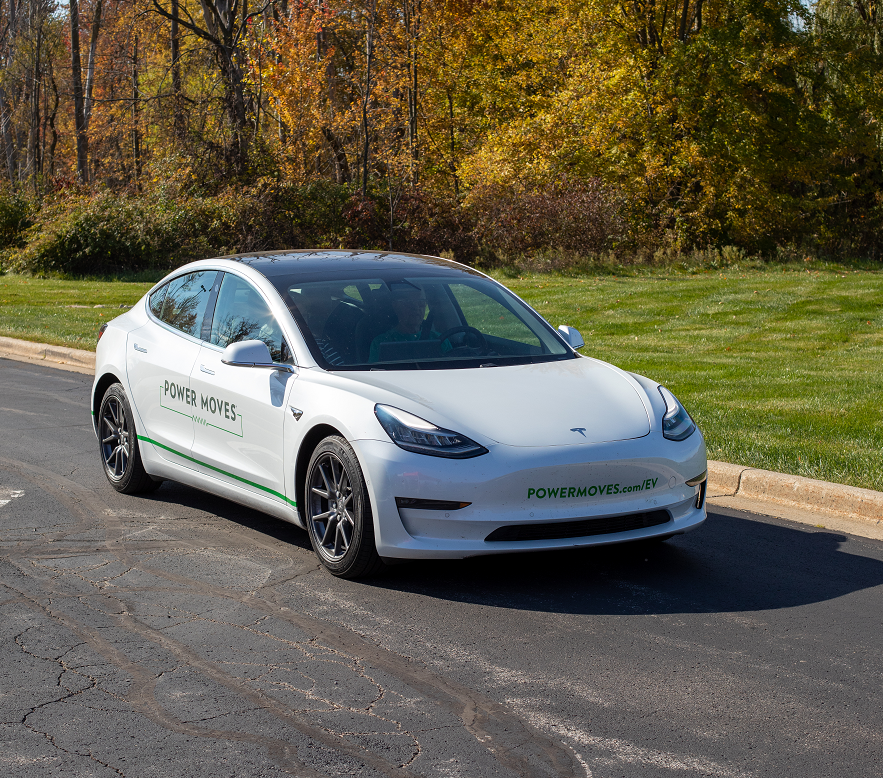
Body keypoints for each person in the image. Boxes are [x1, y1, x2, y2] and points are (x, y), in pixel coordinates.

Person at [369, 285, 442, 362]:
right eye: (409, 303)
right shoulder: (380, 342)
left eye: (421, 302)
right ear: (395, 306)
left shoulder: (439, 339)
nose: (416, 308)